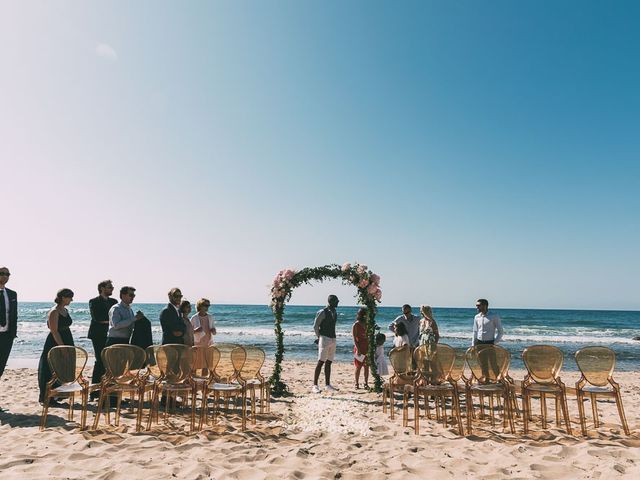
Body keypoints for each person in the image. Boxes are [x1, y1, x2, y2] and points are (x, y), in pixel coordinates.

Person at [38, 288, 75, 404]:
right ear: (63, 297)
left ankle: (60, 394)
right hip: (56, 341)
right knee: (51, 368)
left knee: (64, 368)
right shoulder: (54, 311)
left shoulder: (64, 310)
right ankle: (47, 396)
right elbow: (54, 331)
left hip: (67, 338)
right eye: (70, 297)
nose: (71, 300)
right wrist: (62, 347)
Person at [88, 280, 117, 390]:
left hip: (110, 334)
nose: (112, 289)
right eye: (110, 287)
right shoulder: (94, 301)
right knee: (100, 360)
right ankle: (95, 390)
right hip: (98, 334)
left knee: (110, 361)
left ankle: (108, 388)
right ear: (102, 288)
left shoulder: (113, 301)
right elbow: (97, 318)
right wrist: (113, 321)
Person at [312, 294, 339, 393]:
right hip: (324, 338)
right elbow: (316, 325)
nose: (338, 302)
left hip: (333, 338)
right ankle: (315, 385)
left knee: (329, 361)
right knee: (321, 361)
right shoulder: (322, 312)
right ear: (331, 302)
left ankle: (327, 385)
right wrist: (319, 337)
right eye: (336, 301)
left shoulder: (335, 312)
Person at [472, 298, 503, 379]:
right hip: (479, 343)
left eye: (478, 306)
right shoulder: (476, 317)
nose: (477, 308)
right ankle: (486, 379)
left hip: (490, 343)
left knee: (493, 363)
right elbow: (475, 331)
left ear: (485, 306)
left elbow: (500, 331)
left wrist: (494, 343)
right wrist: (473, 345)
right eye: (476, 306)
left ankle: (499, 380)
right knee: (482, 363)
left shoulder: (494, 316)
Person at [0, 266, 18, 384]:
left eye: (7, 274)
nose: (5, 276)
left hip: (7, 335)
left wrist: (13, 334)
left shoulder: (12, 294)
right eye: (2, 273)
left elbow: (14, 314)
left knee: (1, 366)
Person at [351, 307, 369, 389]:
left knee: (366, 366)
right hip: (359, 347)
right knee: (358, 366)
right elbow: (354, 338)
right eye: (363, 315)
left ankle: (366, 383)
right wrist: (358, 349)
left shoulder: (368, 324)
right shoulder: (356, 325)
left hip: (367, 346)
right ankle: (356, 383)